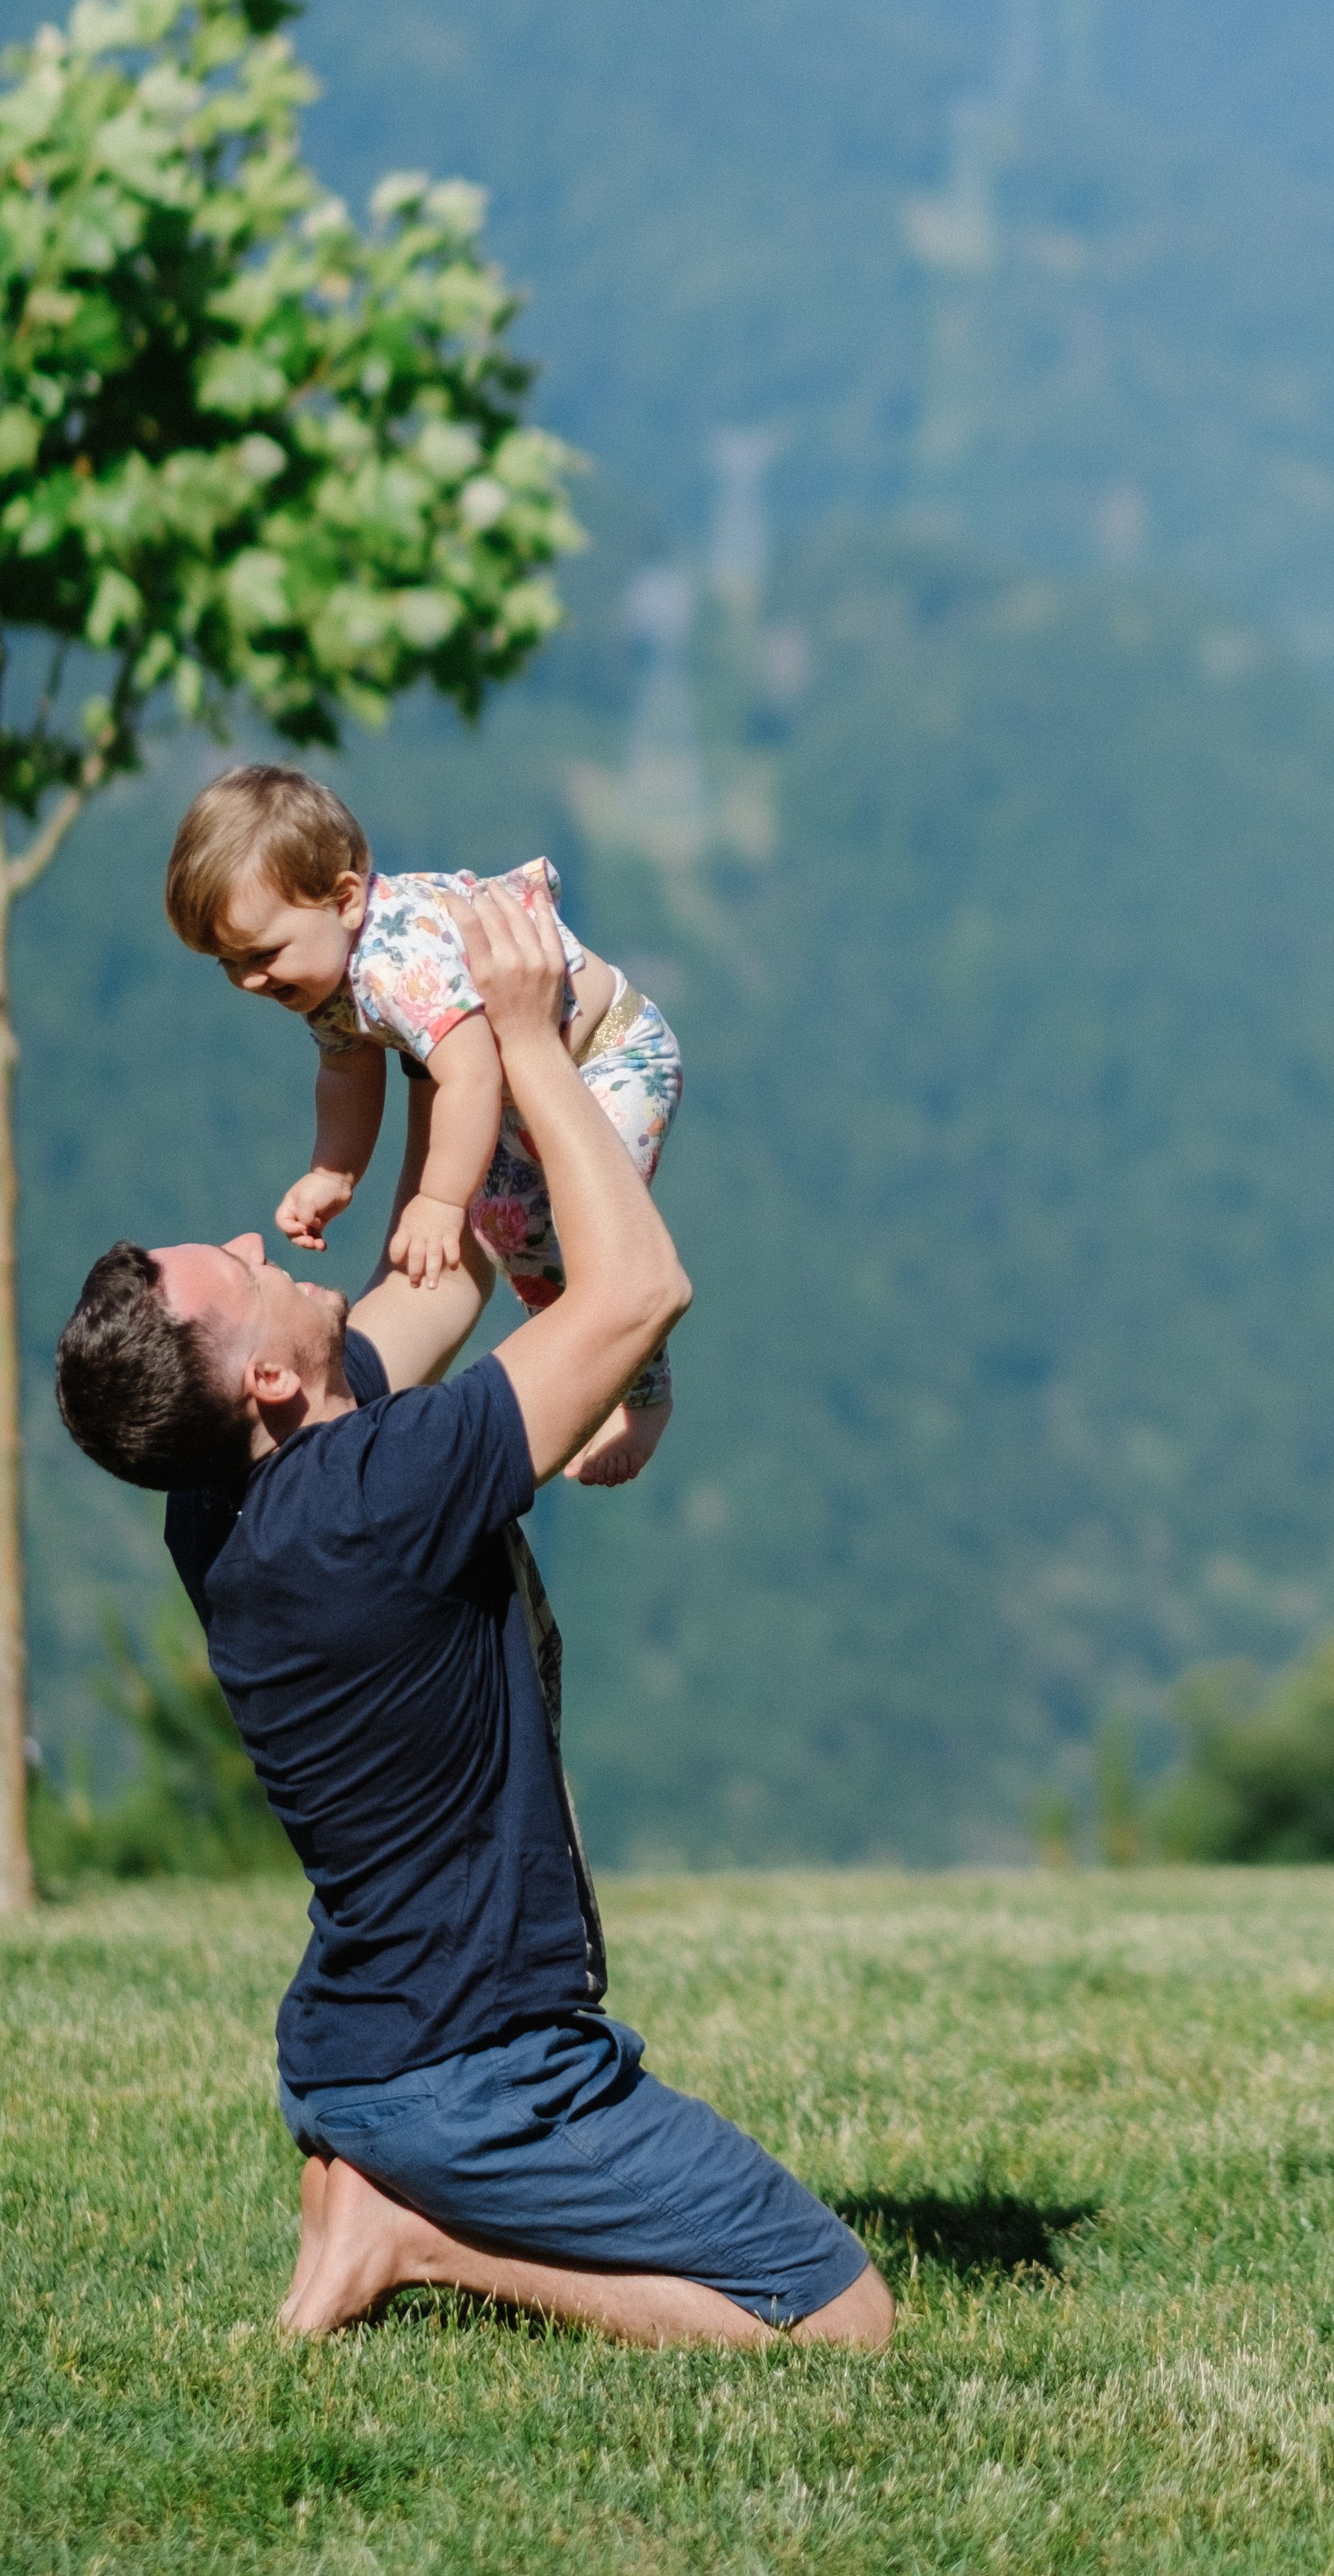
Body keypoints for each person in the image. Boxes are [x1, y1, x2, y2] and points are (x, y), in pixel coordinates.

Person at [54, 878, 892, 2350]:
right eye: (237, 1276)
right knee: (837, 2321)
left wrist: (447, 1054)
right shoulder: (387, 1488)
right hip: (479, 2071)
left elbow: (436, 1289)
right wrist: (540, 1044)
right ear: (266, 1383)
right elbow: (638, 1291)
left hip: (363, 2050)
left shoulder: (231, 1499)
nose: (255, 1245)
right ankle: (422, 2240)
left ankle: (380, 2188)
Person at [164, 762, 682, 1488]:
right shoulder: (326, 972)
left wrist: (439, 1203)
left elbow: (467, 1076)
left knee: (585, 1231)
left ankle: (644, 1397)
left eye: (263, 954)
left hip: (612, 1057)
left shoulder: (399, 962)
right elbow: (348, 1070)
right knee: (508, 1230)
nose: (251, 980)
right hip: (524, 1089)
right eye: (228, 963)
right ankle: (587, 1362)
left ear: (345, 899)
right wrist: (333, 1169)